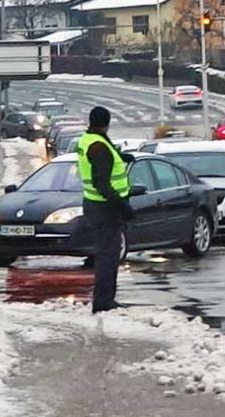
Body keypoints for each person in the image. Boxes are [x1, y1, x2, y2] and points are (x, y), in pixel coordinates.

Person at [76, 107, 133, 313]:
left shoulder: (88, 139)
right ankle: (104, 300)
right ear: (106, 123)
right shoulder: (98, 146)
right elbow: (102, 182)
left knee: (105, 252)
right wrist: (122, 205)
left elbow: (100, 164)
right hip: (105, 207)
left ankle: (104, 298)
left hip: (93, 204)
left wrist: (120, 158)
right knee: (108, 255)